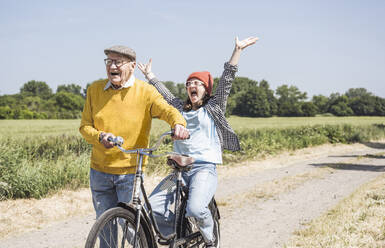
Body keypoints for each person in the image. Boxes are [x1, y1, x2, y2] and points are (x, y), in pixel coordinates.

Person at [138, 36, 258, 247]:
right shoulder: (178, 108)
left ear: (206, 89)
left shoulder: (214, 107)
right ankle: (176, 234)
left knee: (195, 209)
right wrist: (150, 75)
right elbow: (164, 94)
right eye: (188, 84)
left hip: (203, 168)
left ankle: (210, 238)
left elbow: (227, 79)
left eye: (197, 83)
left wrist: (237, 50)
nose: (191, 86)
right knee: (152, 208)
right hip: (178, 171)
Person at [79, 45, 190, 225]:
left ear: (132, 65)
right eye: (109, 61)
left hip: (129, 172)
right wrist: (99, 137)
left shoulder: (145, 91)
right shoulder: (94, 90)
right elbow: (85, 127)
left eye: (117, 62)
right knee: (104, 228)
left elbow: (167, 110)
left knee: (131, 229)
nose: (112, 66)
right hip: (99, 171)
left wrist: (178, 124)